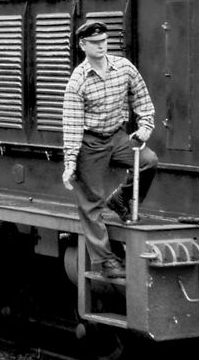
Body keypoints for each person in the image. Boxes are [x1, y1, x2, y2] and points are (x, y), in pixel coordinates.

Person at [61, 21, 159, 279]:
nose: (101, 46)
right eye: (95, 43)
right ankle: (107, 262)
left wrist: (145, 126)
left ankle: (120, 199)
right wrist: (70, 163)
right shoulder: (78, 82)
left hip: (117, 137)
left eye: (104, 41)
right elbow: (71, 125)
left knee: (148, 161)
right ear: (83, 45)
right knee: (91, 202)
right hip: (90, 143)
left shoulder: (124, 67)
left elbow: (142, 98)